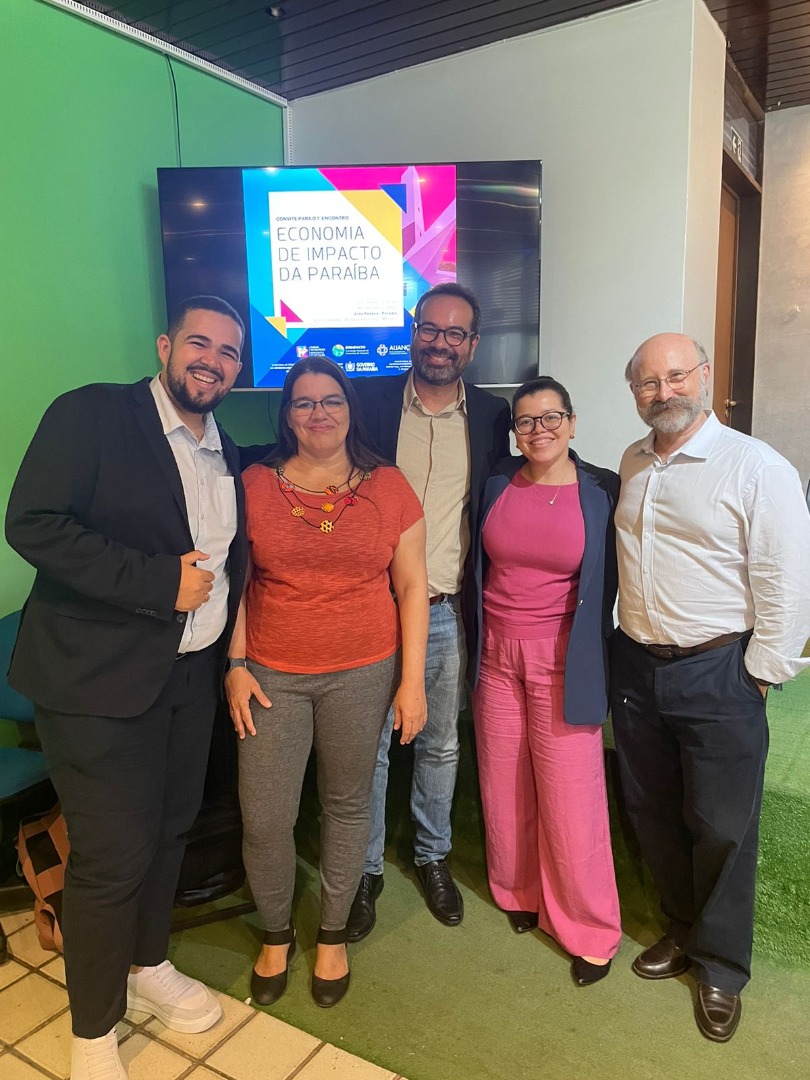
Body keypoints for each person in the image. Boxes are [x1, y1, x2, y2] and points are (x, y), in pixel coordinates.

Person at [5, 296, 249, 1080]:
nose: (212, 361)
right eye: (200, 343)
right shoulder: (91, 415)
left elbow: (224, 564)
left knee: (170, 832)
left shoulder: (224, 448)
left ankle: (147, 965)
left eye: (229, 352)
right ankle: (92, 1030)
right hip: (95, 682)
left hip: (189, 678)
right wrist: (155, 582)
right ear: (165, 345)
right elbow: (32, 522)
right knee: (111, 856)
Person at [612, 333, 810, 1042]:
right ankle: (682, 930)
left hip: (720, 670)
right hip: (637, 666)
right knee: (655, 811)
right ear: (634, 392)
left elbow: (786, 578)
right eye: (647, 382)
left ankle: (721, 965)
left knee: (723, 825)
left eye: (675, 377)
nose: (662, 392)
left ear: (703, 376)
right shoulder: (634, 461)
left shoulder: (757, 466)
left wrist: (760, 673)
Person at [225, 356, 428, 1008]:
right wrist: (234, 665)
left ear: (349, 410)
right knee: (266, 818)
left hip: (364, 672)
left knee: (347, 805)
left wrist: (412, 683)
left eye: (331, 400)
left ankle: (333, 933)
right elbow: (236, 584)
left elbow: (412, 587)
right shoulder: (254, 484)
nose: (319, 413)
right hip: (270, 676)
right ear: (287, 415)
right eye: (304, 402)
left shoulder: (389, 486)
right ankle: (277, 933)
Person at [346, 283, 511, 940]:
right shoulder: (368, 401)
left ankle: (431, 855)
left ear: (473, 344)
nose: (440, 343)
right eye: (430, 329)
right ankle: (364, 869)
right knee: (368, 747)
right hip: (369, 609)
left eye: (455, 333)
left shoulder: (494, 415)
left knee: (440, 742)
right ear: (413, 332)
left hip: (445, 612)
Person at [469, 376, 622, 985]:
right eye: (526, 421)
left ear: (572, 423)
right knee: (503, 782)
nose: (539, 430)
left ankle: (589, 929)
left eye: (551, 417)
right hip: (495, 657)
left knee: (571, 796)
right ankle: (518, 891)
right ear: (515, 432)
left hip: (564, 660)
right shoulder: (496, 484)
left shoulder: (601, 491)